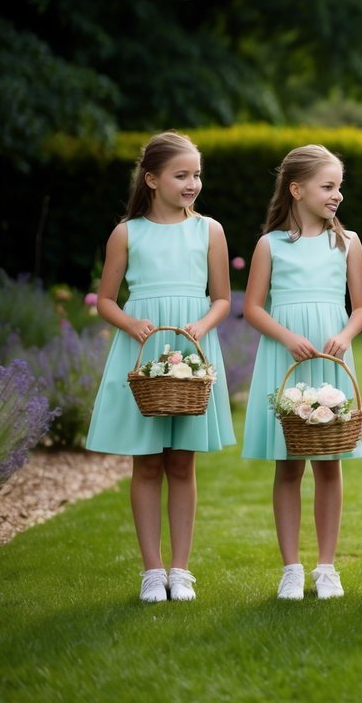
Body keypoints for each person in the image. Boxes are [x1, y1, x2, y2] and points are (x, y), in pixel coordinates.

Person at [86, 131, 235, 602]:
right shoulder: (126, 233)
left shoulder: (209, 230)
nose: (192, 183)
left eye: (197, 175)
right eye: (181, 175)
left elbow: (223, 299)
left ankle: (181, 568)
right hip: (144, 350)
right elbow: (106, 301)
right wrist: (132, 325)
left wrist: (200, 326)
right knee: (146, 464)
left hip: (191, 350)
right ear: (152, 179)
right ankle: (152, 571)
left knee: (182, 464)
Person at [241, 145, 362, 600]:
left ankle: (327, 566)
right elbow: (253, 308)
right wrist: (286, 337)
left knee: (330, 463)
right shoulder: (270, 244)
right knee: (289, 464)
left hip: (330, 358)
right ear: (297, 190)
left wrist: (347, 334)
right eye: (328, 186)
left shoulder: (347, 242)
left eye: (340, 187)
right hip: (288, 356)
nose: (337, 195)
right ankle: (291, 567)